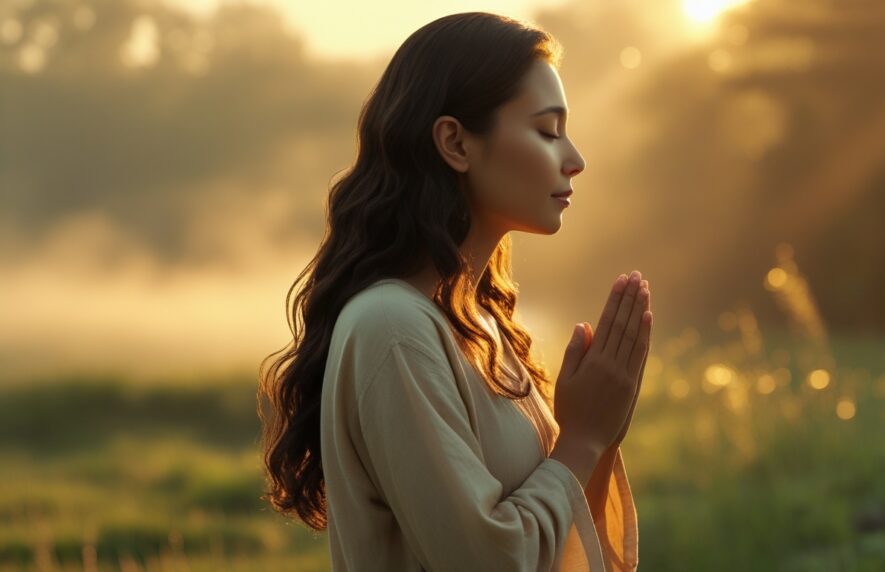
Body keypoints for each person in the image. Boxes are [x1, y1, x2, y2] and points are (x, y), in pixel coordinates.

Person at [257, 11, 653, 571]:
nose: (575, 159)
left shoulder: (480, 325)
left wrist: (599, 429)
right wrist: (584, 437)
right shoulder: (391, 327)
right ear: (455, 142)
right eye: (546, 130)